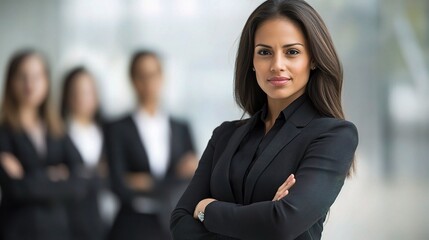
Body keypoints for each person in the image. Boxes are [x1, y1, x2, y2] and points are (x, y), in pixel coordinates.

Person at [170, 0, 359, 239]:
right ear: (252, 61)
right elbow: (180, 223)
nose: (277, 65)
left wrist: (207, 209)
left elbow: (282, 223)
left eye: (292, 52)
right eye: (264, 52)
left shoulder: (334, 135)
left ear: (312, 59)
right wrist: (264, 216)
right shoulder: (224, 136)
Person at [106, 50, 198, 240]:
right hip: (132, 225)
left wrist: (146, 182)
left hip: (173, 223)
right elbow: (117, 185)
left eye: (153, 74)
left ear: (162, 77)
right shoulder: (117, 128)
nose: (148, 82)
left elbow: (193, 184)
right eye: (141, 75)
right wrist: (173, 178)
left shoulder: (181, 128)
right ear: (132, 80)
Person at [0, 50, 87, 240]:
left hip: (57, 230)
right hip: (18, 231)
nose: (30, 85)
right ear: (10, 81)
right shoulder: (4, 131)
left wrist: (30, 177)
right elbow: (14, 188)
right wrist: (55, 175)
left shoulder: (56, 130)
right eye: (22, 77)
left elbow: (81, 182)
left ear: (47, 82)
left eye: (37, 77)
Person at [60, 66, 107, 240]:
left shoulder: (107, 132)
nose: (81, 98)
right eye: (76, 92)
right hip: (68, 220)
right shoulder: (58, 132)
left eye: (87, 92)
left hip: (102, 219)